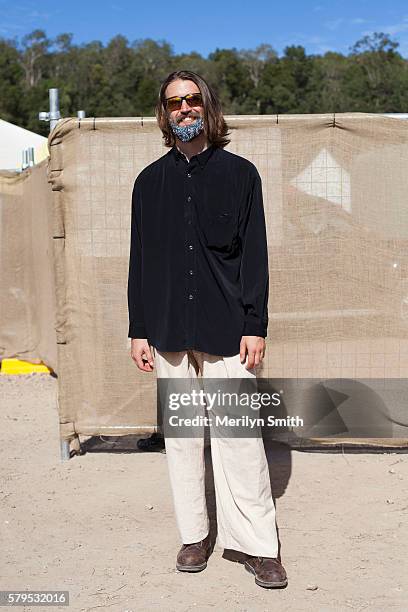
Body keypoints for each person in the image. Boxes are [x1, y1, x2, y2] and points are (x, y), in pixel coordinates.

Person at [127, 70, 287, 589]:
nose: (185, 109)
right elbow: (140, 263)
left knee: (239, 439)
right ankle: (195, 535)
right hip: (170, 330)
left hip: (227, 329)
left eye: (193, 100)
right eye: (175, 102)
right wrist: (138, 328)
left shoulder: (242, 175)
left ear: (208, 108)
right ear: (164, 113)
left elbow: (255, 257)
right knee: (182, 438)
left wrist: (254, 323)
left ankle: (257, 546)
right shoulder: (148, 184)